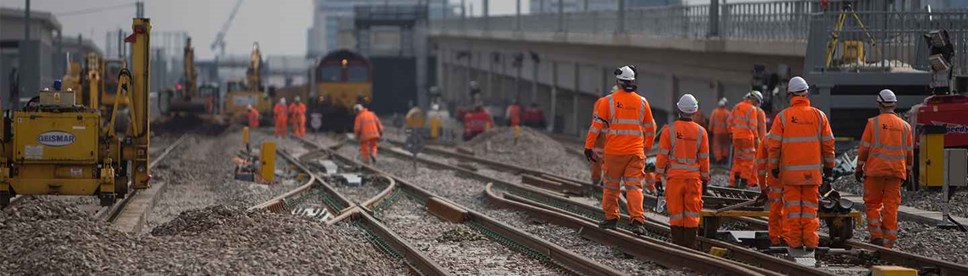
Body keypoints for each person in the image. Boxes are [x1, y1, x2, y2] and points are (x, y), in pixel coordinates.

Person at [583, 65, 656, 235]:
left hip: (614, 153)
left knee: (611, 186)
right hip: (635, 153)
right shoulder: (643, 102)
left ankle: (611, 219)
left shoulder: (607, 101)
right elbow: (650, 129)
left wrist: (588, 147)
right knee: (634, 187)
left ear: (618, 82)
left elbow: (596, 127)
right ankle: (637, 221)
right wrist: (645, 148)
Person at [766, 76, 835, 251]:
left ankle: (795, 242)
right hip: (813, 175)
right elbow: (828, 143)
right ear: (806, 93)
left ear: (790, 95)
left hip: (790, 176)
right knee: (811, 210)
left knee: (793, 210)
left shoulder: (783, 117)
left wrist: (774, 167)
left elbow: (774, 146)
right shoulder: (819, 116)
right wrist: (829, 166)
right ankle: (811, 242)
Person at [855, 89, 913, 248]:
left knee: (873, 204)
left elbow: (864, 149)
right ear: (894, 105)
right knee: (891, 205)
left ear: (879, 104)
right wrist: (907, 173)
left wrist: (859, 168)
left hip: (875, 171)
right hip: (896, 173)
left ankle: (876, 235)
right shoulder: (906, 127)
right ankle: (889, 241)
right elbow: (909, 153)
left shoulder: (873, 123)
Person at [656, 94, 710, 248]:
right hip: (694, 180)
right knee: (692, 213)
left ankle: (678, 245)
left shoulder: (669, 131)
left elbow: (661, 157)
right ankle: (690, 245)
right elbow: (704, 159)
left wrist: (658, 178)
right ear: (694, 111)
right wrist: (705, 179)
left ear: (679, 109)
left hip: (674, 179)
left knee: (676, 213)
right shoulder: (702, 132)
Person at [728, 91, 762, 188]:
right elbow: (753, 126)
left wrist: (731, 133)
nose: (757, 104)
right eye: (758, 102)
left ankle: (734, 181)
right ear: (754, 99)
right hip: (747, 138)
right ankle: (743, 182)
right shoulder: (752, 109)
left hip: (736, 137)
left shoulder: (737, 106)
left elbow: (729, 121)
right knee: (748, 160)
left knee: (738, 159)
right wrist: (756, 139)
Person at [588, 85, 619, 186]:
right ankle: (598, 180)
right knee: (600, 158)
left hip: (608, 137)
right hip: (603, 137)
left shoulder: (605, 102)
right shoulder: (604, 102)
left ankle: (600, 180)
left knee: (603, 159)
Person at [754, 140, 783, 246]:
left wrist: (763, 188)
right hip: (796, 181)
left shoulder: (767, 140)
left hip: (776, 183)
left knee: (776, 210)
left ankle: (776, 239)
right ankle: (795, 239)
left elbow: (761, 168)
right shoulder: (797, 135)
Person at [708, 98, 731, 164]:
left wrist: (710, 130)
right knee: (725, 145)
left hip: (717, 132)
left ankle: (718, 159)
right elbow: (729, 124)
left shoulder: (714, 112)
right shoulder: (728, 113)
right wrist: (730, 133)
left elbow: (711, 122)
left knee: (717, 146)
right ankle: (724, 156)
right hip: (726, 133)